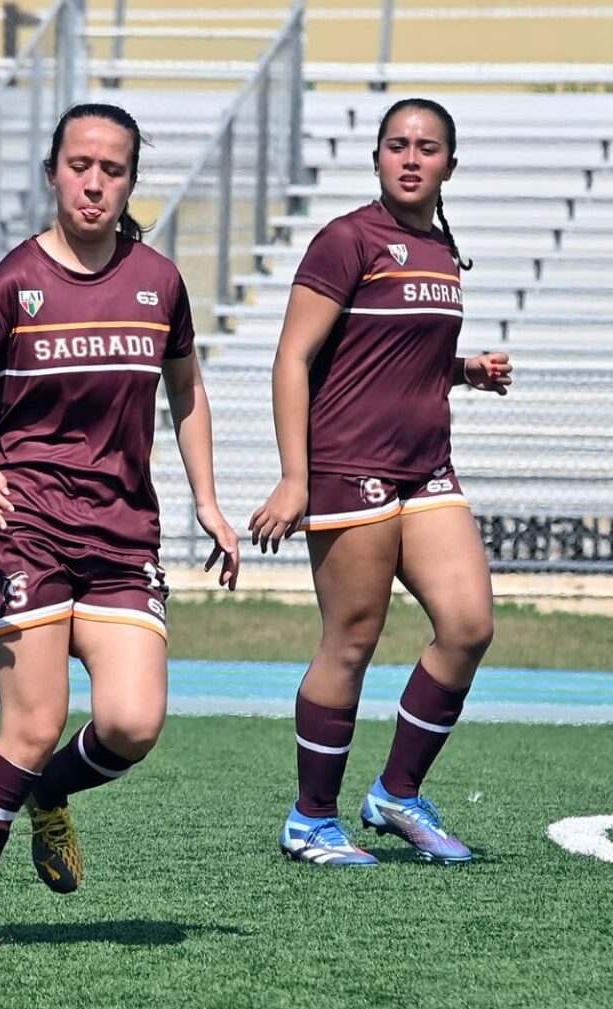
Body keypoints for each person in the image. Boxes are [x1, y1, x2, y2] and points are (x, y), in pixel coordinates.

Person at [0, 103, 240, 952]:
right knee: (32, 723)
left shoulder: (160, 282)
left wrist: (208, 499)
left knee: (133, 724)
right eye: (80, 165)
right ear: (53, 172)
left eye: (114, 169)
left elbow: (187, 390)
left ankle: (46, 794)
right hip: (21, 526)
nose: (95, 182)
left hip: (123, 535)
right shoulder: (13, 282)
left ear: (131, 180)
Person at [249, 98, 512, 868]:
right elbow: (293, 359)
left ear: (449, 167)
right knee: (353, 640)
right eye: (396, 144)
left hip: (426, 465)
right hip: (346, 465)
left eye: (427, 148)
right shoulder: (347, 240)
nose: (410, 157)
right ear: (376, 159)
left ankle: (397, 793)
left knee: (468, 626)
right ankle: (311, 818)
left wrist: (465, 371)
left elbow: (403, 358)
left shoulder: (441, 249)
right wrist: (295, 478)